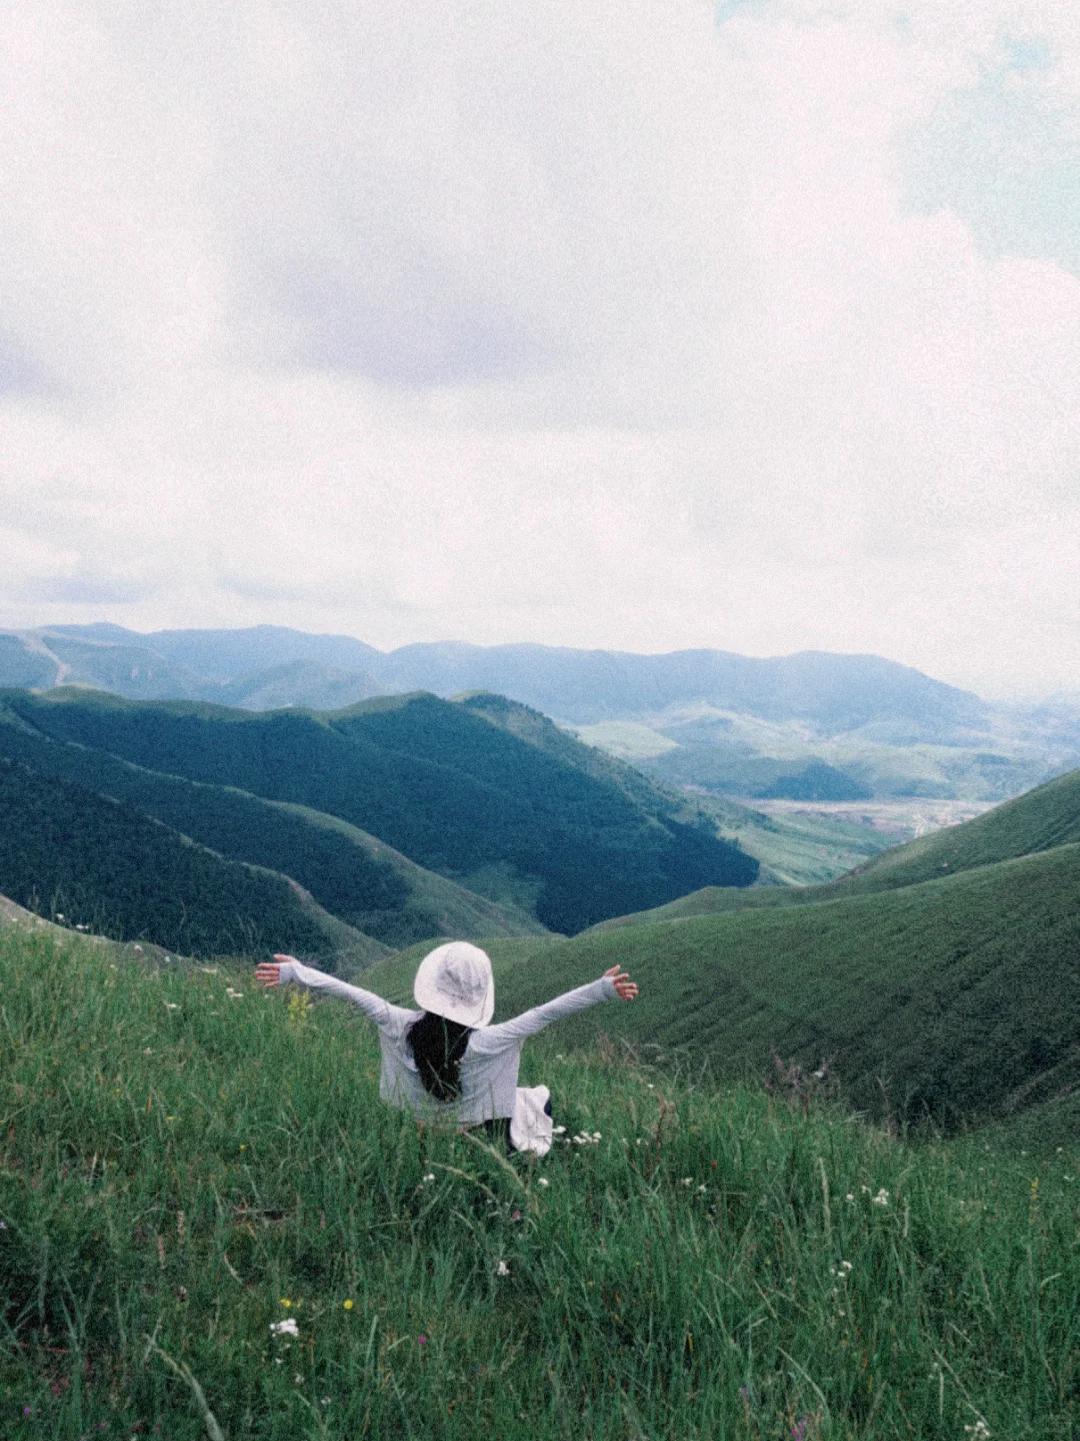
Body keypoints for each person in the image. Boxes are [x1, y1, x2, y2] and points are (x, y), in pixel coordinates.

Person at [255, 941, 638, 1155]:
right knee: (540, 1098)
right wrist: (602, 988)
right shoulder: (489, 1042)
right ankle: (511, 1154)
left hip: (424, 1127)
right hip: (473, 1130)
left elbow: (353, 994)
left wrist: (296, 973)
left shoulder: (398, 1024)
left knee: (520, 1098)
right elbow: (544, 1014)